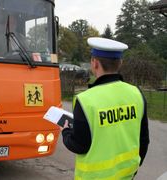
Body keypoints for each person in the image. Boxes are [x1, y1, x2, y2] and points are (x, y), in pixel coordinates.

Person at [61, 37, 149, 179]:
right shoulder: (136, 93)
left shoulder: (85, 100)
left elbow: (79, 145)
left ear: (95, 63)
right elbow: (144, 138)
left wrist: (65, 132)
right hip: (127, 175)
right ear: (120, 63)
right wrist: (134, 169)